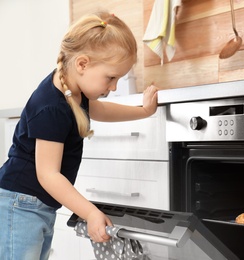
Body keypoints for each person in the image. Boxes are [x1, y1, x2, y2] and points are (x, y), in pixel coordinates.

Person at [0, 12, 158, 260]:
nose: (114, 87)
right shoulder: (51, 106)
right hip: (20, 205)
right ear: (82, 64)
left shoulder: (71, 89)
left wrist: (143, 111)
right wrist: (90, 212)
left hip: (36, 205)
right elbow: (48, 174)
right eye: (111, 77)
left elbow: (101, 110)